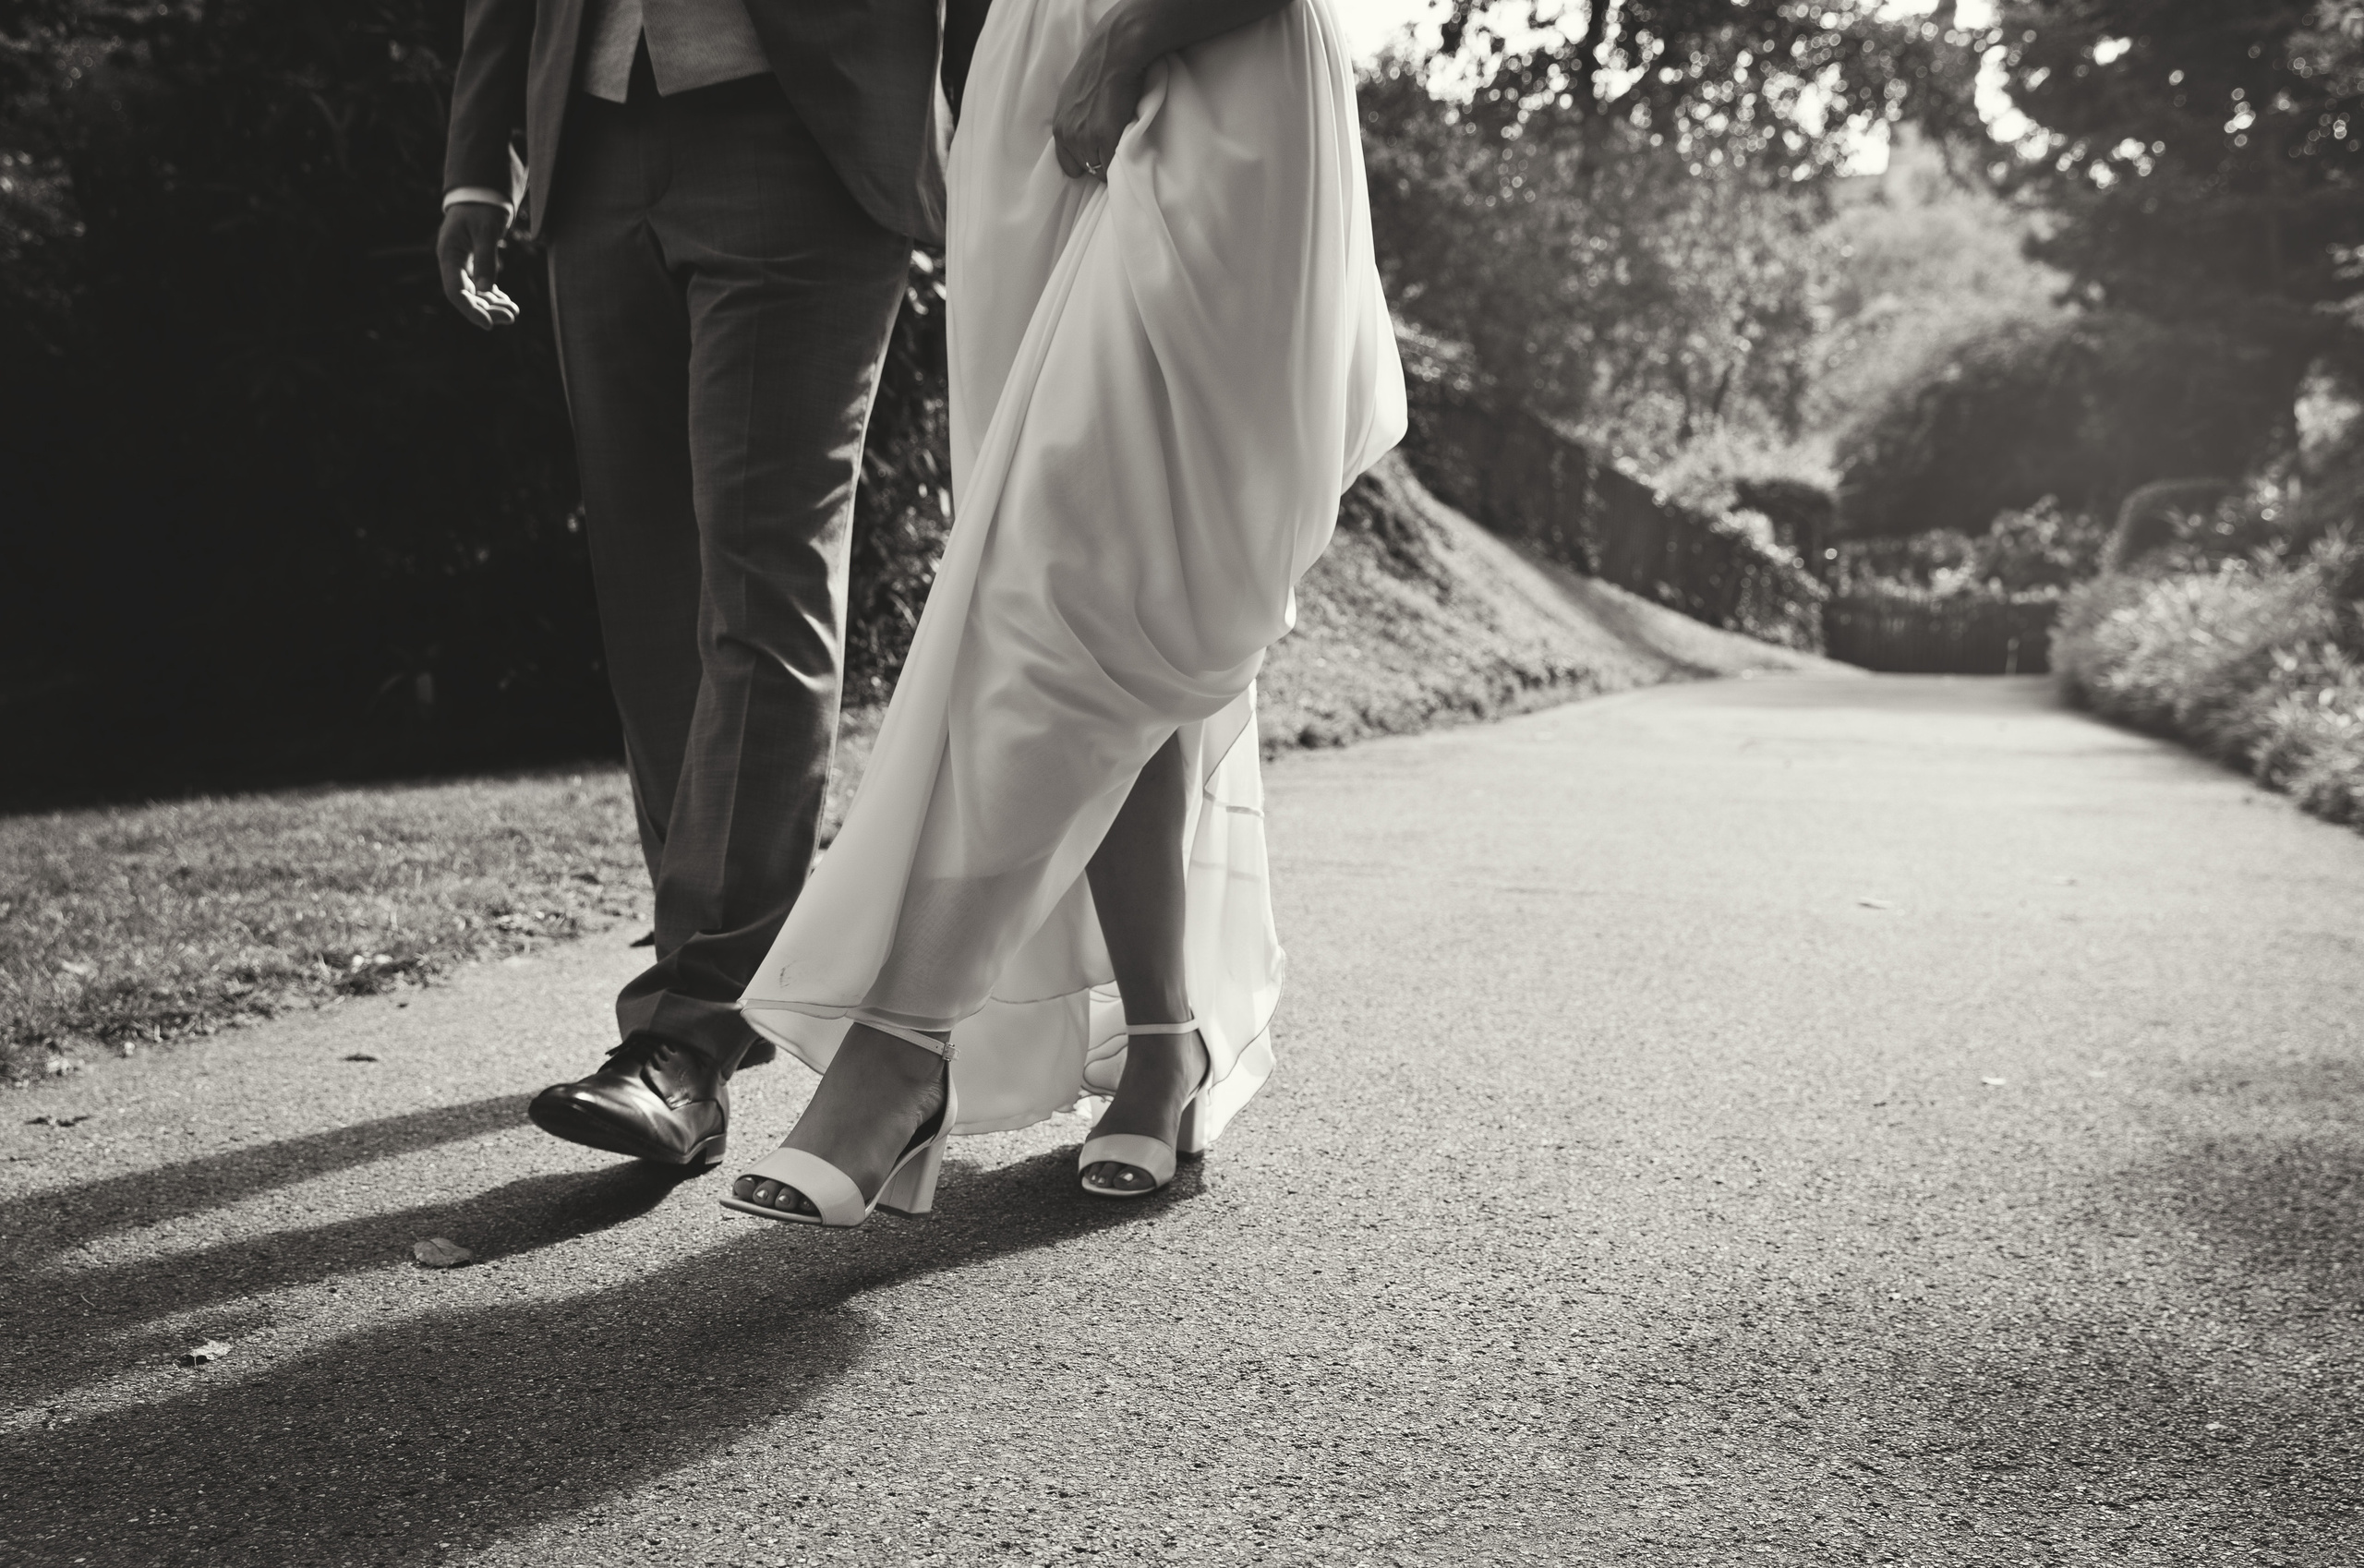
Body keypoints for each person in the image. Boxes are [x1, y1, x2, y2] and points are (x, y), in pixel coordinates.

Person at [724, 0, 1405, 1226]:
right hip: (1020, 89)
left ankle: (903, 1038)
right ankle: (1162, 1036)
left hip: (1216, 64)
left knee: (1100, 566)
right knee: (1068, 580)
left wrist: (1128, 40)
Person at [435, 0, 987, 1169]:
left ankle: (686, 1037)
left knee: (760, 578)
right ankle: (706, 1006)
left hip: (807, 132)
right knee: (646, 598)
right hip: (588, 151)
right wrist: (477, 166)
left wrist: (1002, 142)